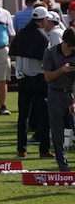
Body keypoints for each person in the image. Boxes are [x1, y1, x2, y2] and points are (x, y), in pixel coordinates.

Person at [10, 7, 52, 160]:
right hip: (40, 80)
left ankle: (21, 149)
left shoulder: (21, 34)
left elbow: (13, 54)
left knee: (23, 116)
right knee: (44, 116)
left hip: (23, 79)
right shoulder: (43, 37)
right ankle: (44, 150)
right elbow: (46, 62)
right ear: (44, 20)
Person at [42, 27, 75, 172]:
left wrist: (74, 102)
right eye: (70, 45)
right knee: (57, 134)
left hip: (70, 94)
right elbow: (47, 77)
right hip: (55, 94)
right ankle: (64, 168)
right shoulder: (50, 52)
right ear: (64, 41)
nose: (71, 48)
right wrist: (62, 70)